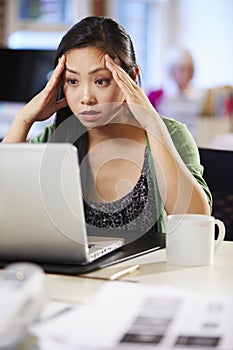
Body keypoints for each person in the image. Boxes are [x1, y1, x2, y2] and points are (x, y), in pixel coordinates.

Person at [2, 16, 212, 241]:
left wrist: (152, 125)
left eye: (101, 81)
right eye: (73, 81)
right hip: (71, 276)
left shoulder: (170, 134)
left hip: (147, 275)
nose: (86, 98)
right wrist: (24, 119)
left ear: (131, 78)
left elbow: (196, 224)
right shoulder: (54, 138)